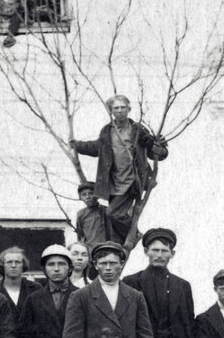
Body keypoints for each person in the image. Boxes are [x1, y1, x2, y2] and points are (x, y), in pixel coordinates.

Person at [71, 95, 169, 244]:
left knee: (112, 213)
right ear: (111, 111)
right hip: (113, 181)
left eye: (123, 107)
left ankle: (134, 235)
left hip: (132, 180)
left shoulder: (137, 129)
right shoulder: (107, 130)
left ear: (129, 109)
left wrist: (157, 147)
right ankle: (127, 240)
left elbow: (157, 152)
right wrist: (77, 145)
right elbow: (97, 147)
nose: (120, 111)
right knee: (115, 217)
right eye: (116, 108)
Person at [0, 246, 39, 317]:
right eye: (9, 262)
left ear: (23, 265)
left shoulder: (35, 288)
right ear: (3, 265)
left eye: (17, 262)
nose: (13, 265)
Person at [74, 181, 110, 246]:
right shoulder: (81, 214)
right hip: (89, 250)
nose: (87, 197)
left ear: (97, 195)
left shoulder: (106, 211)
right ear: (80, 197)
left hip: (105, 248)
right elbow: (80, 236)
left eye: (91, 193)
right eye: (84, 195)